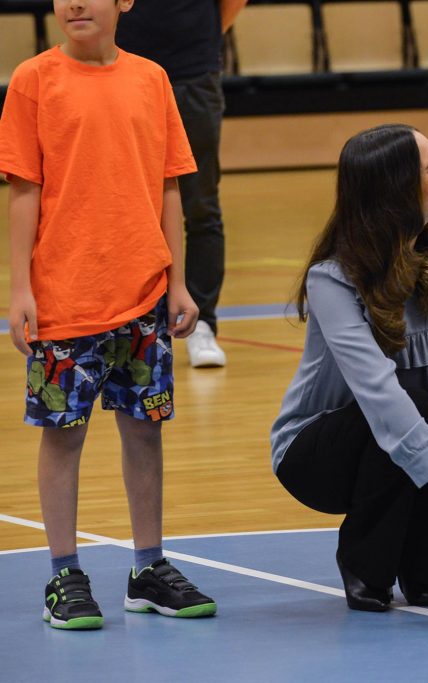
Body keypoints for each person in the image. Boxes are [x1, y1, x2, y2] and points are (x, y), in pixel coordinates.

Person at [0, 0, 216, 629]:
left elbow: (171, 185)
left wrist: (177, 282)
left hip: (144, 296)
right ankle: (64, 574)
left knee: (143, 431)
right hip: (66, 299)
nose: (73, 3)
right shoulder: (33, 81)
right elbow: (23, 192)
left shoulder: (151, 79)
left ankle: (148, 568)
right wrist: (21, 290)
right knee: (63, 436)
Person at [270, 124, 428, 612]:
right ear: (396, 192)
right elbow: (379, 396)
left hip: (409, 428)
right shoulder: (333, 280)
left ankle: (422, 569)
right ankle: (366, 567)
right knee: (406, 412)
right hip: (319, 452)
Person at [117, 0, 249, 369]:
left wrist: (201, 36)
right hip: (123, 69)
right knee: (123, 202)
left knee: (202, 204)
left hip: (193, 72)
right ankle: (128, 321)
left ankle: (202, 323)